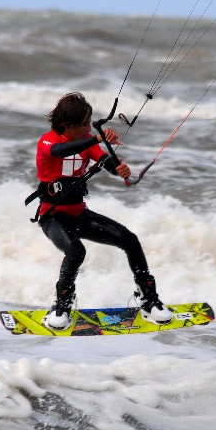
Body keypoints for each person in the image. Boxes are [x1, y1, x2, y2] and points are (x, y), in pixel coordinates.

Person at [32, 92, 173, 330]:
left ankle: (148, 301)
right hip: (53, 217)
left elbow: (104, 160)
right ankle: (61, 306)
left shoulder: (87, 141)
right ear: (68, 125)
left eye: (90, 123)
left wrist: (120, 170)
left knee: (130, 240)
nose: (89, 128)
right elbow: (61, 152)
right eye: (85, 124)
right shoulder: (48, 142)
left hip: (79, 214)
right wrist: (96, 139)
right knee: (76, 251)